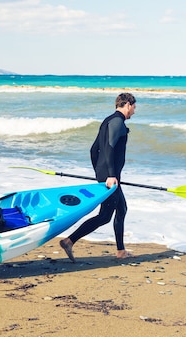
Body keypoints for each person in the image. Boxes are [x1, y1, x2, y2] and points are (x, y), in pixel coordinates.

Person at [60, 92, 137, 262]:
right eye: (134, 107)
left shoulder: (108, 120)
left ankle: (120, 251)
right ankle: (69, 241)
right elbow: (108, 148)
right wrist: (109, 175)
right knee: (105, 216)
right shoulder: (117, 122)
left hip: (107, 174)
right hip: (111, 176)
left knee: (121, 209)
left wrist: (99, 172)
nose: (134, 111)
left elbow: (94, 150)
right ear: (128, 105)